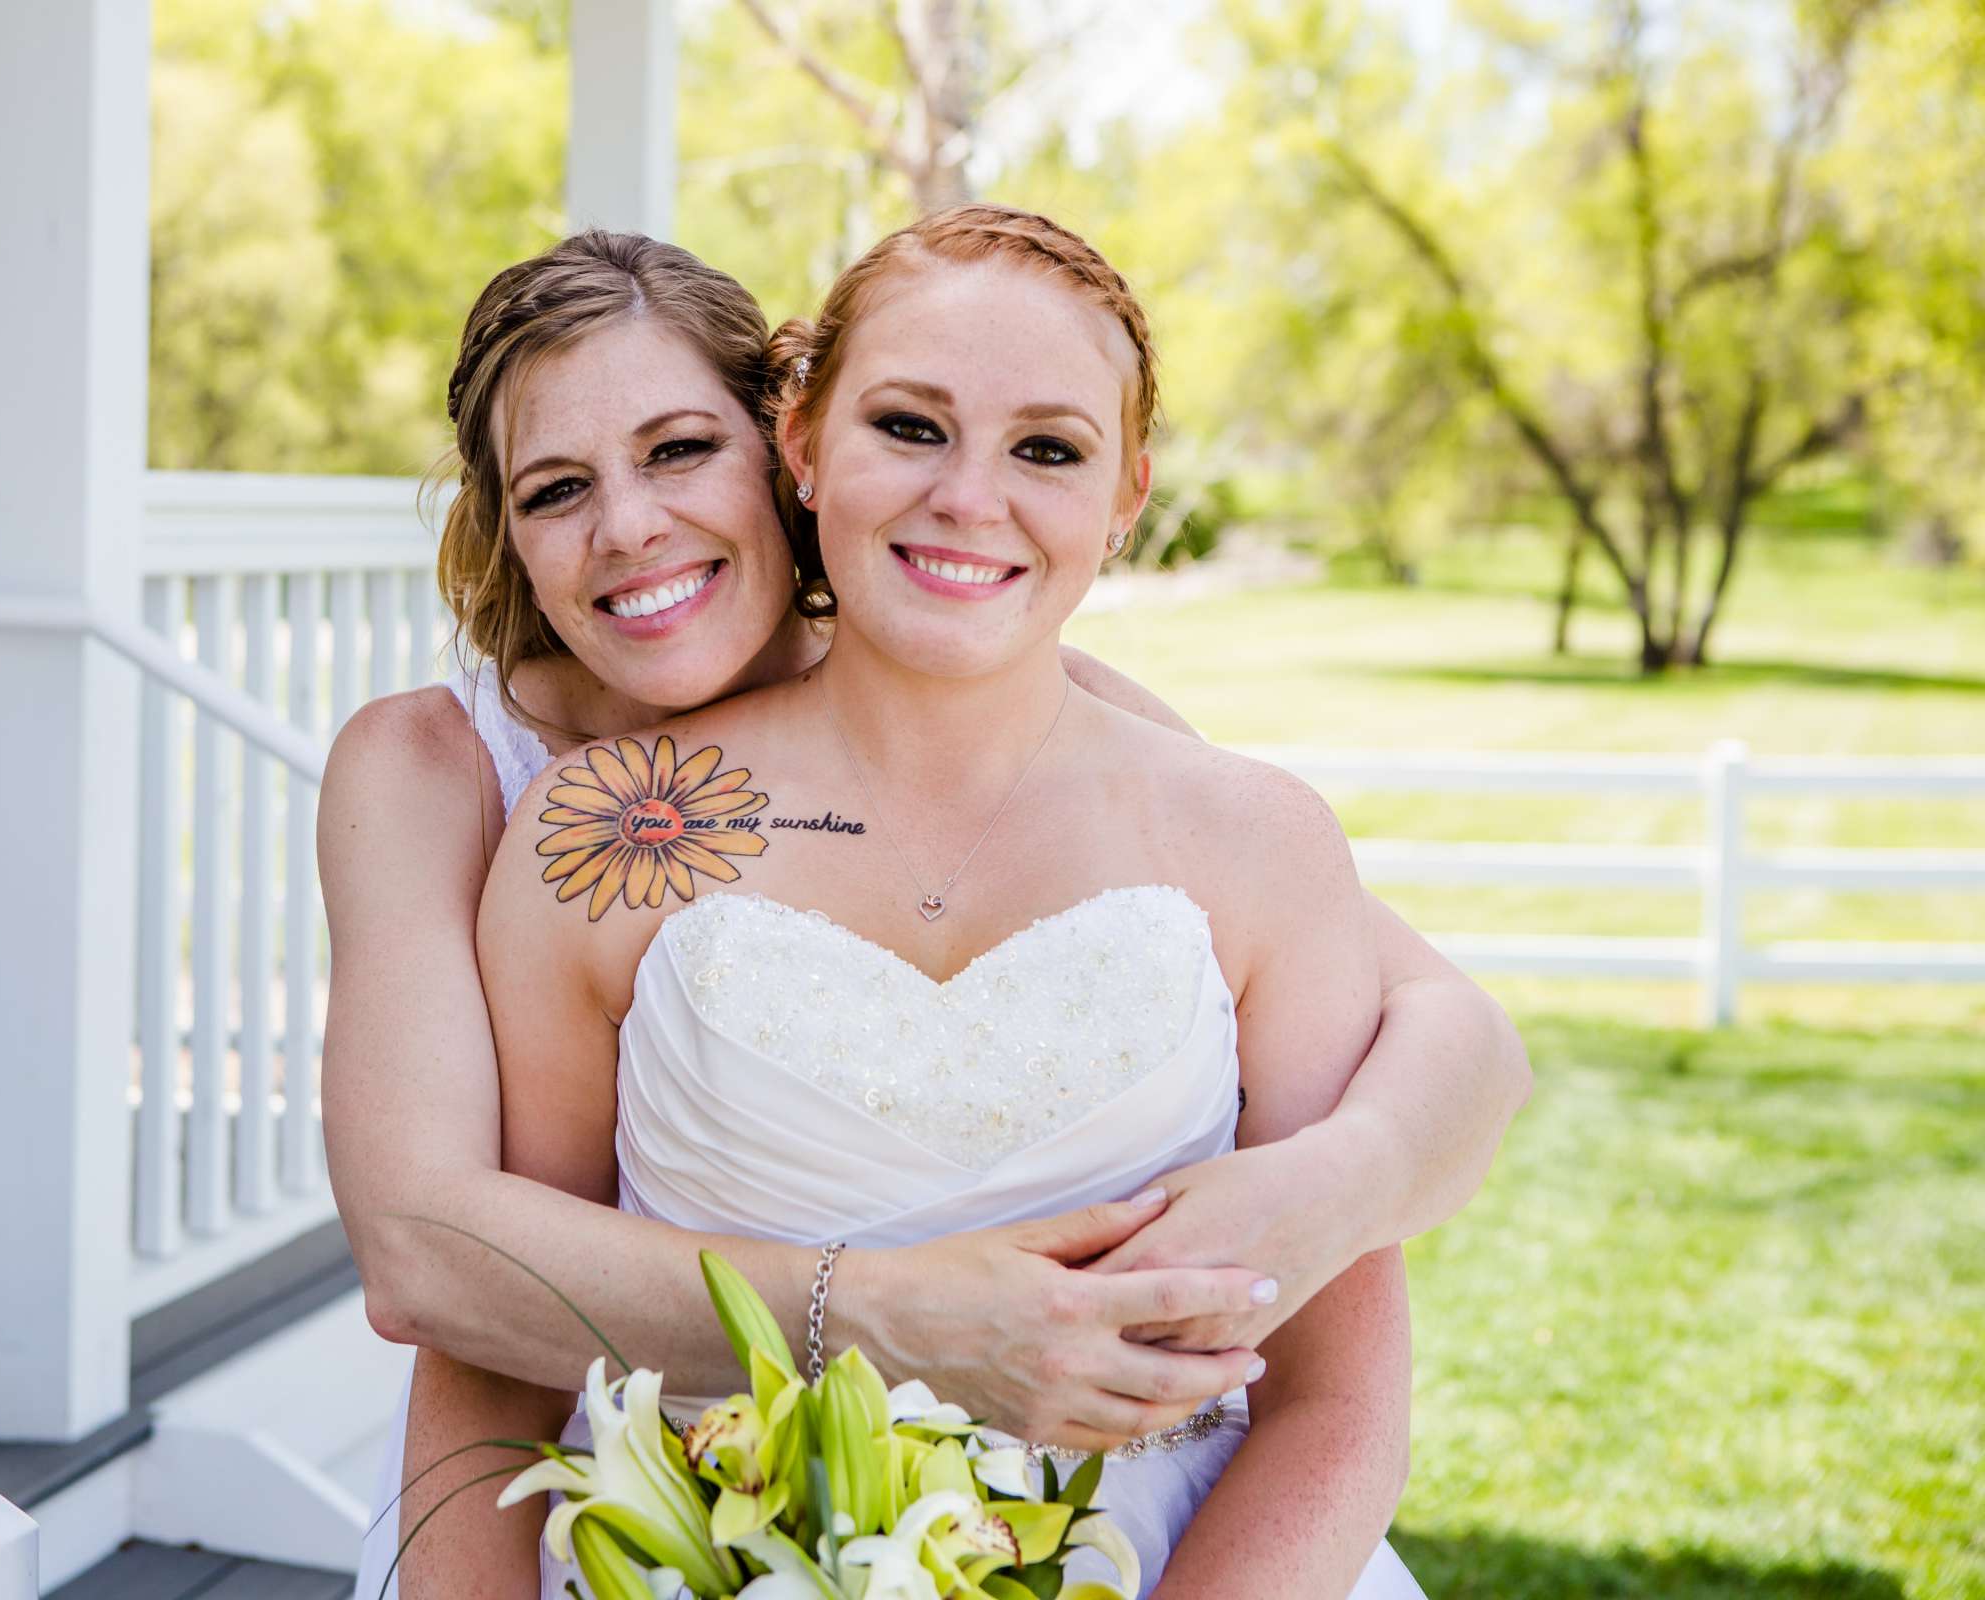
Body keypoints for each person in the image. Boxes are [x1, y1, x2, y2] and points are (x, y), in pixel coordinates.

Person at [321, 228, 1529, 1598]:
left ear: (776, 446)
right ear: (818, 444)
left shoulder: (1161, 780)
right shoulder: (557, 815)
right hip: (708, 1528)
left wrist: (1332, 1190)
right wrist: (892, 1324)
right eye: (556, 489)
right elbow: (446, 1274)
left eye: (676, 451)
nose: (631, 528)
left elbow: (1446, 1033)